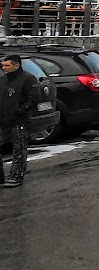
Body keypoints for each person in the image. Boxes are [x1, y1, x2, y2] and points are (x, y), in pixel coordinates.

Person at [0, 54, 46, 187]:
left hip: (18, 120)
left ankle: (16, 177)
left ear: (16, 65)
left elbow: (34, 98)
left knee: (19, 149)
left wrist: (20, 110)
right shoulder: (2, 80)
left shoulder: (27, 78)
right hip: (2, 120)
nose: (4, 68)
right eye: (3, 65)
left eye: (7, 65)